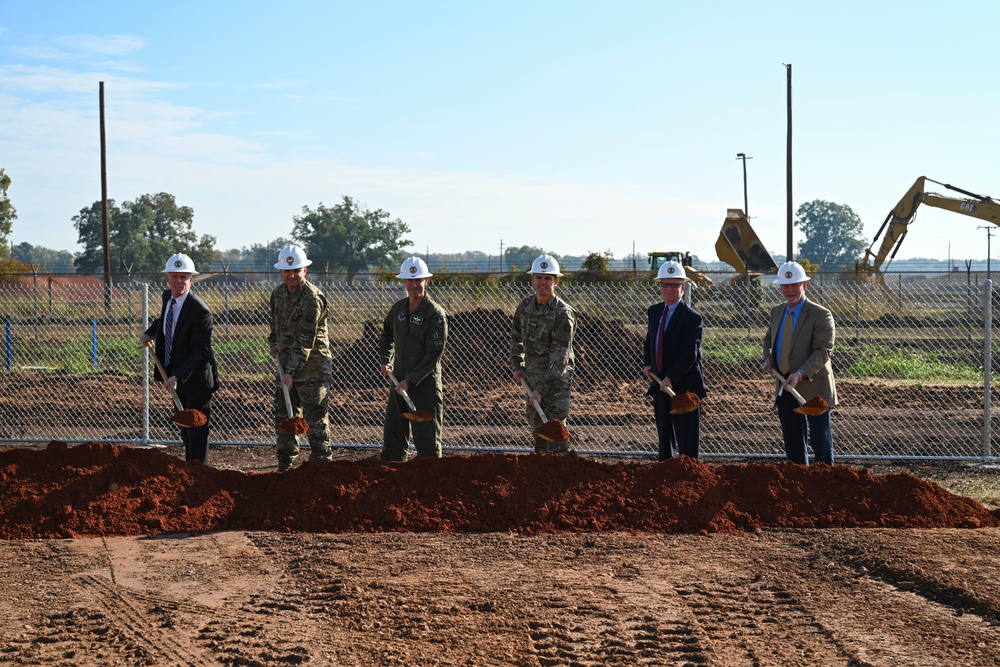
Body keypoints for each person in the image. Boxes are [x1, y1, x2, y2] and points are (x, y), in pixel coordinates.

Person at [140, 253, 219, 464]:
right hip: (175, 376)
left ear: (191, 280)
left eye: (184, 277)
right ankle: (190, 469)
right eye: (174, 276)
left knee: (197, 432)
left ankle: (198, 473)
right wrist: (149, 333)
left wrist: (177, 376)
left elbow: (200, 351)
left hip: (196, 380)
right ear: (168, 278)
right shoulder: (168, 297)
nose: (179, 282)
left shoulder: (201, 312)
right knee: (185, 429)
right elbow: (165, 319)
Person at [762, 260, 837, 465]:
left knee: (820, 442)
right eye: (785, 286)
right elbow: (768, 339)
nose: (789, 290)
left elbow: (823, 352)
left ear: (805, 285)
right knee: (793, 443)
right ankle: (798, 485)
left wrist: (801, 373)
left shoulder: (820, 314)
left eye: (794, 285)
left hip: (814, 388)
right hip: (785, 386)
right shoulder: (777, 311)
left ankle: (825, 484)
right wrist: (768, 357)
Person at [268, 244, 333, 471]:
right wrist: (273, 344)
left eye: (296, 270)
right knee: (285, 418)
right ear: (281, 272)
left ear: (305, 270)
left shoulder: (312, 299)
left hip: (312, 370)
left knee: (315, 422)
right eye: (287, 271)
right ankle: (285, 467)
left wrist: (290, 373)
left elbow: (306, 340)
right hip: (287, 368)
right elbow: (274, 327)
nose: (292, 275)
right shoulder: (278, 294)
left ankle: (322, 468)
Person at [378, 257, 449, 461]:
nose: (414, 285)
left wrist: (410, 380)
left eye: (418, 280)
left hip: (423, 383)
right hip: (398, 379)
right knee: (393, 434)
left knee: (427, 439)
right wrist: (386, 359)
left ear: (426, 281)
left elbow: (433, 354)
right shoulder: (398, 309)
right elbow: (387, 335)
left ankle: (428, 480)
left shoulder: (435, 315)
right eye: (410, 280)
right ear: (404, 282)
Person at [510, 254, 576, 453]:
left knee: (554, 429)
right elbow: (516, 337)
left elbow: (560, 358)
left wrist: (542, 390)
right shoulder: (525, 307)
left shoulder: (563, 314)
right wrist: (517, 366)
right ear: (532, 280)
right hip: (532, 378)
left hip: (555, 382)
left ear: (555, 281)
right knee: (538, 429)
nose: (543, 283)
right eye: (539, 277)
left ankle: (560, 475)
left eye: (548, 278)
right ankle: (539, 477)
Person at [642, 261, 707, 460]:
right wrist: (648, 363)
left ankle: (689, 477)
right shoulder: (654, 311)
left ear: (683, 287)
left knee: (686, 439)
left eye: (674, 285)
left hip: (684, 386)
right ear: (659, 286)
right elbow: (649, 341)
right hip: (660, 383)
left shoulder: (692, 318)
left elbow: (689, 354)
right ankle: (666, 473)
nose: (669, 289)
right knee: (665, 436)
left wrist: (671, 377)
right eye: (665, 284)